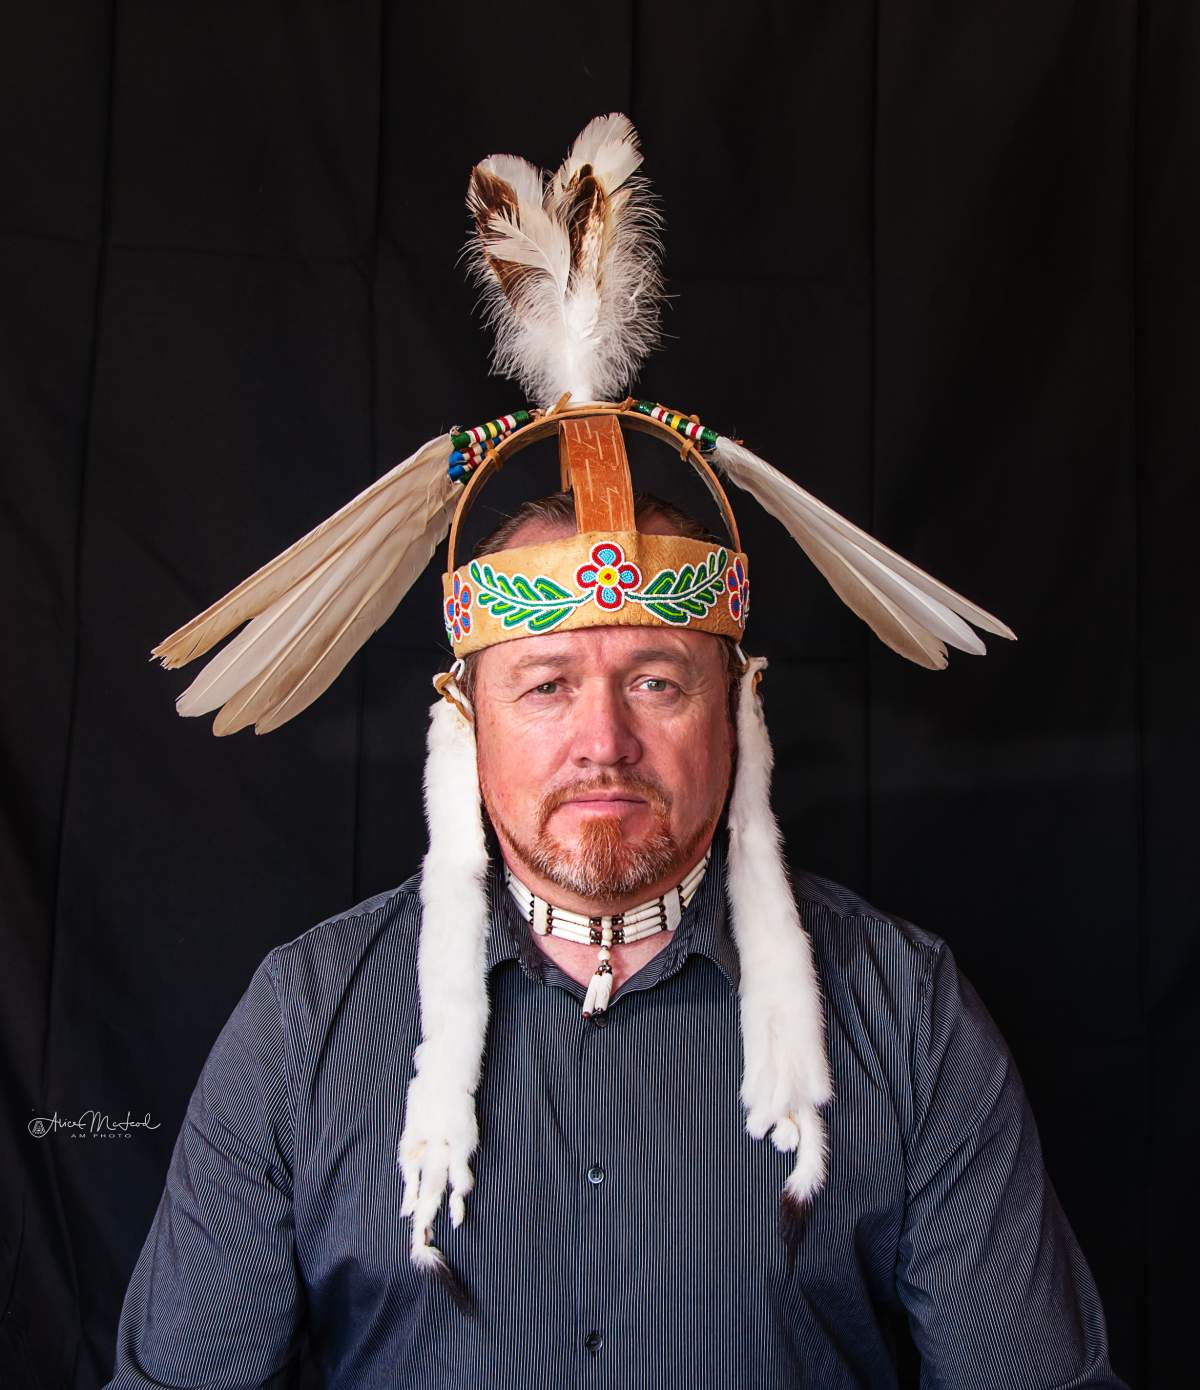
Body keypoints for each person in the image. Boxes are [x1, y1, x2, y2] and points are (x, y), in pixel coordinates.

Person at [106, 115, 1129, 1387]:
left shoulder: (903, 1018)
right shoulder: (307, 1025)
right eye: (545, 685)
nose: (604, 740)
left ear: (737, 705)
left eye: (654, 677)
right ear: (465, 719)